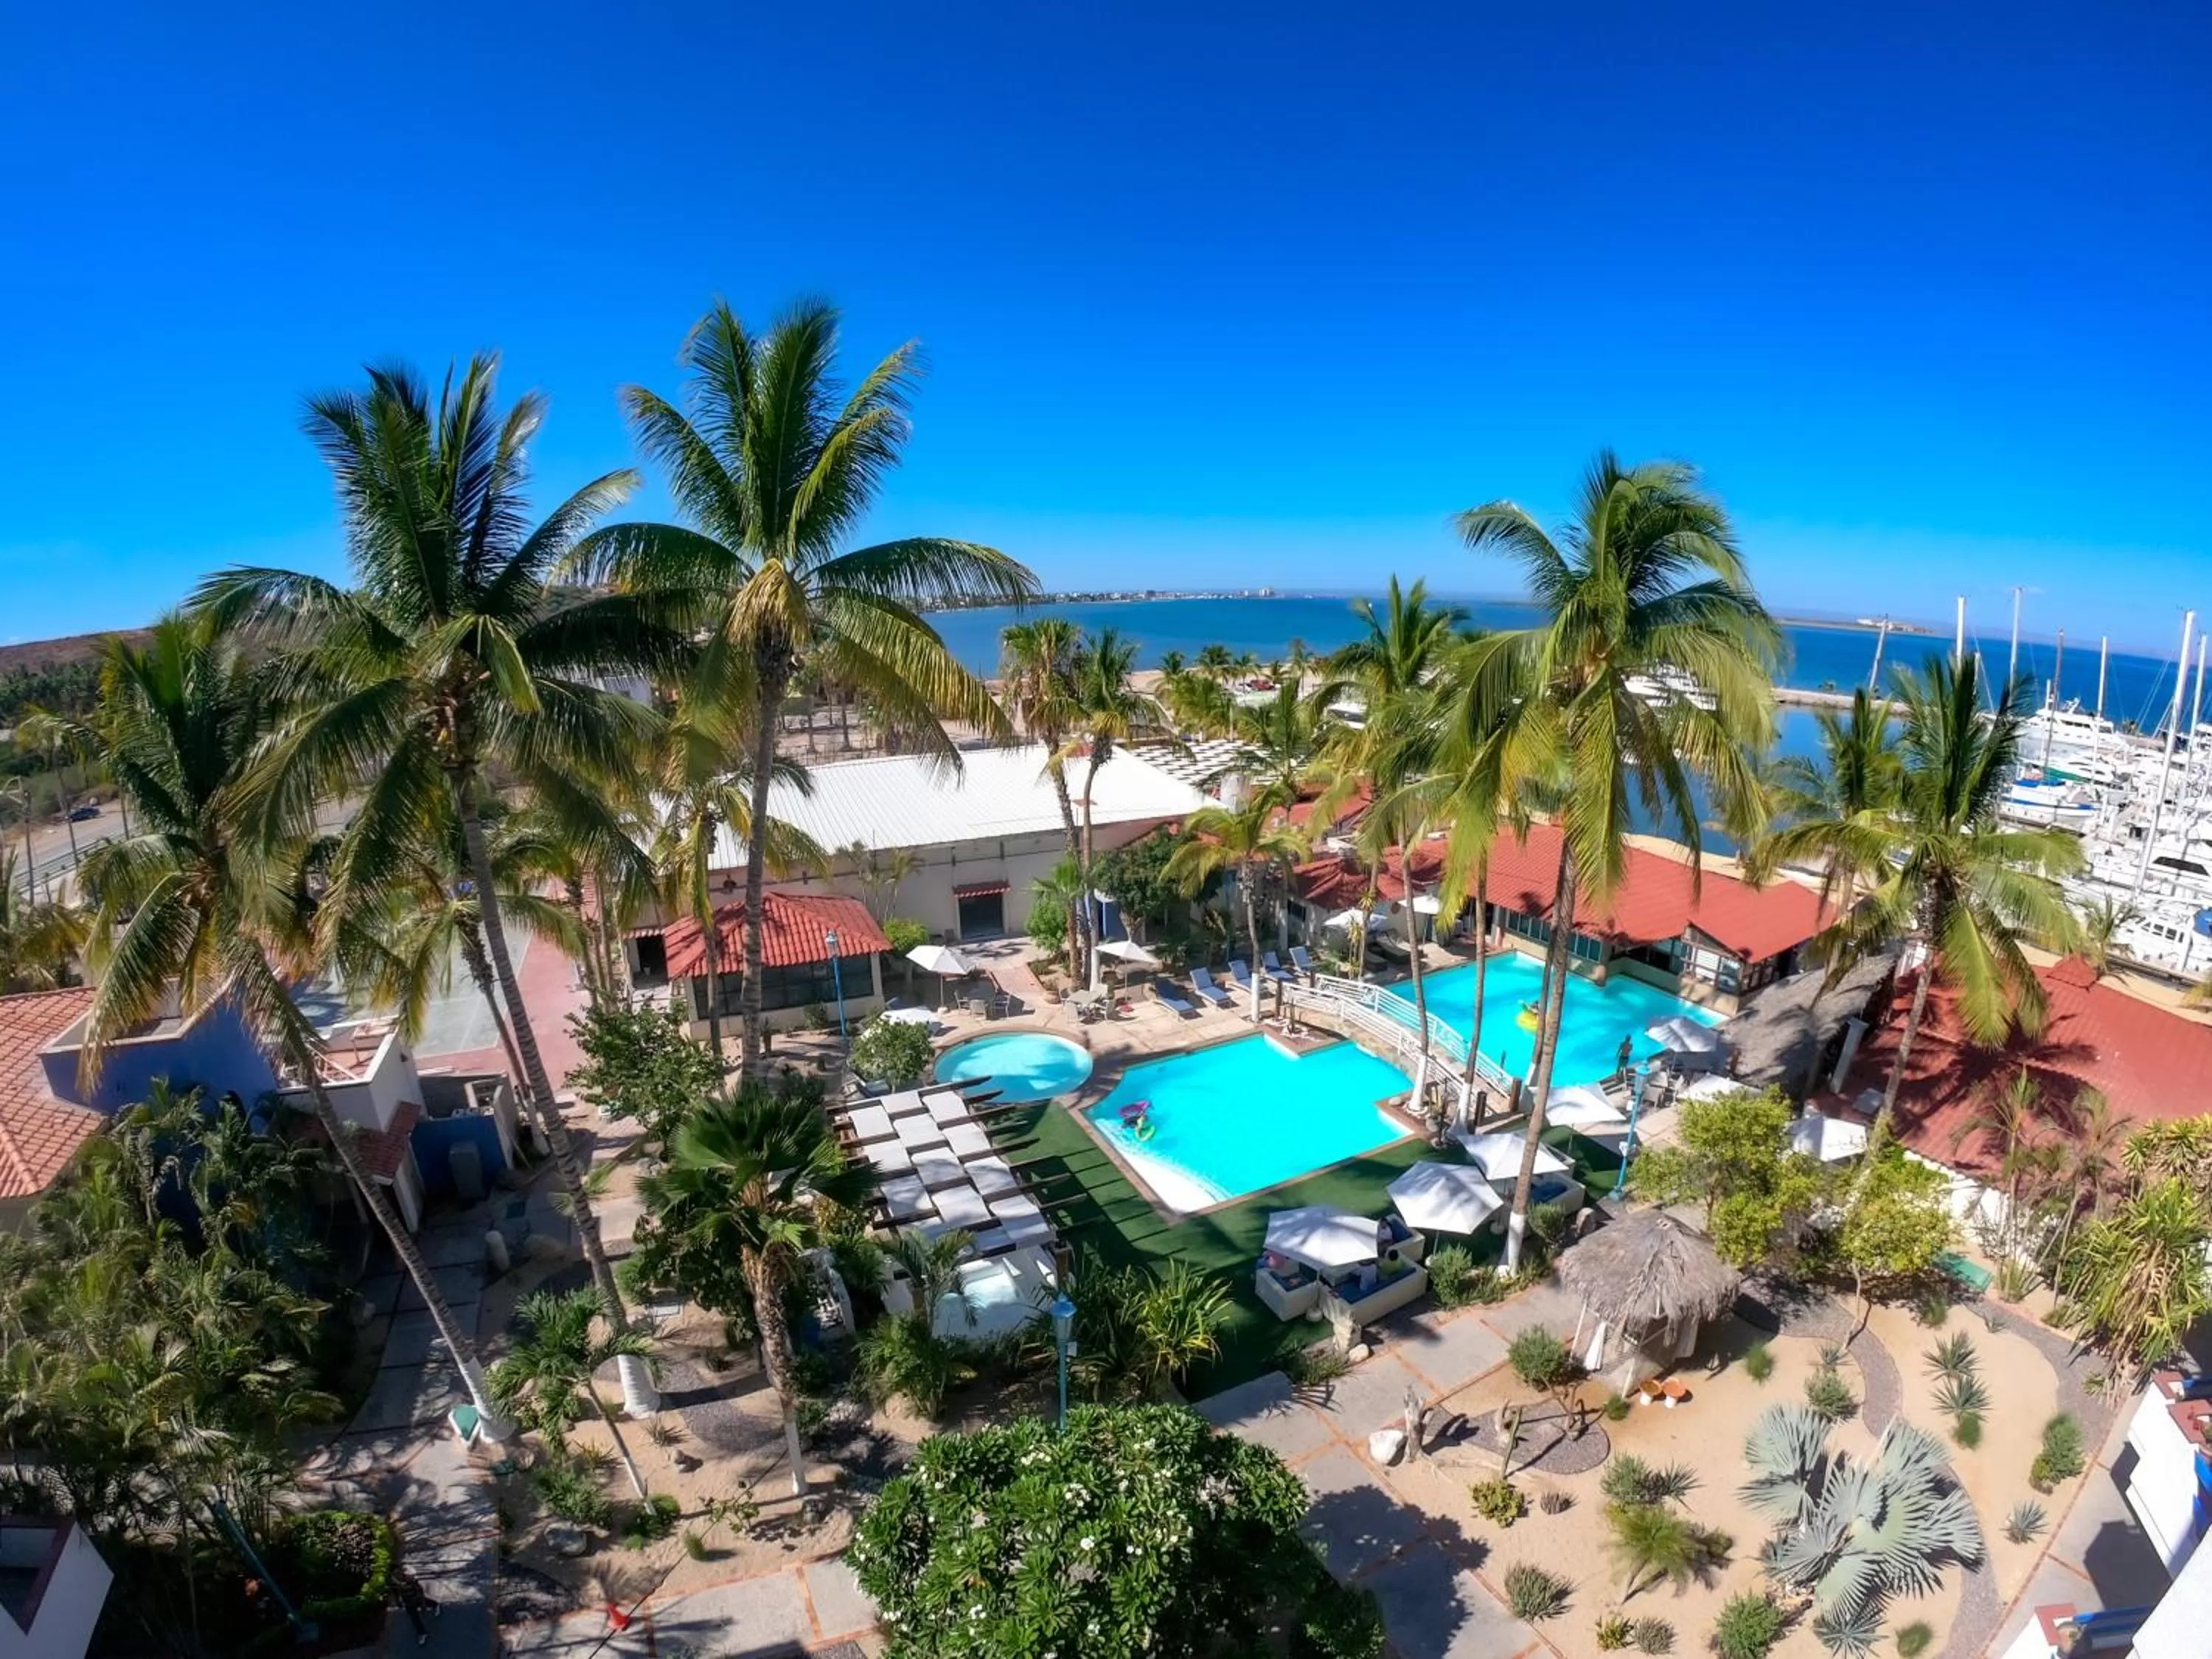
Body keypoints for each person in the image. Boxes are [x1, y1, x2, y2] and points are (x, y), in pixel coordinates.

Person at [394, 1568, 439, 1647]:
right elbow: (397, 1592)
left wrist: (423, 1606)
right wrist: (398, 1602)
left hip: (416, 1600)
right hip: (409, 1604)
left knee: (427, 1602)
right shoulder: (398, 1582)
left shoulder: (415, 1584)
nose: (412, 1577)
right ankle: (422, 1633)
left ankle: (436, 1605)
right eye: (410, 1576)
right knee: (415, 1619)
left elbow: (421, 1596)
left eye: (412, 1576)